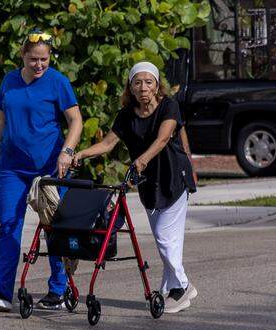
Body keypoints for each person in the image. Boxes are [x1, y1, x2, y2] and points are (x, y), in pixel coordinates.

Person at [73, 62, 199, 313]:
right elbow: (108, 144)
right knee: (166, 239)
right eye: (137, 82)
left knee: (165, 237)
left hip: (173, 177)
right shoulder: (127, 115)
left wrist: (142, 158)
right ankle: (172, 287)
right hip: (148, 182)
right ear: (130, 87)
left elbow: (163, 138)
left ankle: (182, 288)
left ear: (156, 85)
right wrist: (82, 153)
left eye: (148, 82)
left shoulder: (168, 106)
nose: (143, 87)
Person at [0, 30, 84, 312]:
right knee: (10, 226)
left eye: (44, 60)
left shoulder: (58, 82)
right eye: (34, 59)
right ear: (23, 56)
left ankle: (58, 291)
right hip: (12, 167)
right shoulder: (10, 81)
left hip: (50, 167)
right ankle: (2, 290)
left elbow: (76, 121)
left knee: (54, 227)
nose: (39, 65)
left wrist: (67, 152)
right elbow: (0, 122)